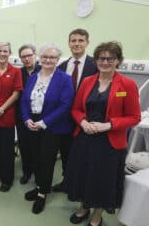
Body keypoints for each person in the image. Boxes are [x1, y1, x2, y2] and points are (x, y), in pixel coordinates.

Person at [64, 41, 141, 226]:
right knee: (83, 175)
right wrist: (82, 122)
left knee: (101, 179)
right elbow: (75, 109)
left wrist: (109, 125)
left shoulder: (127, 85)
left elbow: (134, 117)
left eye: (110, 58)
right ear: (96, 60)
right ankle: (83, 208)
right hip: (84, 138)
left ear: (118, 61)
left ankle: (97, 215)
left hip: (109, 142)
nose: (105, 62)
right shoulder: (87, 81)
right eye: (101, 58)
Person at [21, 43, 74, 214]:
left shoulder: (64, 79)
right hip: (33, 123)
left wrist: (44, 122)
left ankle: (43, 193)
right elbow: (24, 100)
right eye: (44, 56)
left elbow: (65, 105)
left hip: (52, 126)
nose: (48, 60)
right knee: (35, 157)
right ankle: (39, 186)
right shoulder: (33, 77)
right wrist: (27, 118)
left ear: (58, 60)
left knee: (47, 160)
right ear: (39, 58)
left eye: (52, 57)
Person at [53, 28, 98, 192]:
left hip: (87, 119)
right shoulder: (62, 66)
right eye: (73, 40)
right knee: (66, 152)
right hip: (65, 119)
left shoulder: (96, 65)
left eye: (80, 40)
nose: (77, 44)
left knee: (84, 155)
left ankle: (81, 185)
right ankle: (67, 181)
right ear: (69, 43)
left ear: (87, 42)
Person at [0, 42, 23, 192]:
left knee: (7, 149)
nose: (2, 53)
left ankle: (6, 179)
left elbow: (17, 92)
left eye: (5, 51)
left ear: (9, 53)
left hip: (7, 115)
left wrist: (1, 109)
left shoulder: (15, 71)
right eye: (0, 51)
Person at [15, 44, 41, 185]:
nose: (26, 59)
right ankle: (27, 172)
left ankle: (38, 174)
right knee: (24, 145)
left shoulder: (43, 71)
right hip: (22, 117)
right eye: (23, 56)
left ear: (35, 55)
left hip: (39, 118)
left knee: (37, 147)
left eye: (29, 56)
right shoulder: (18, 73)